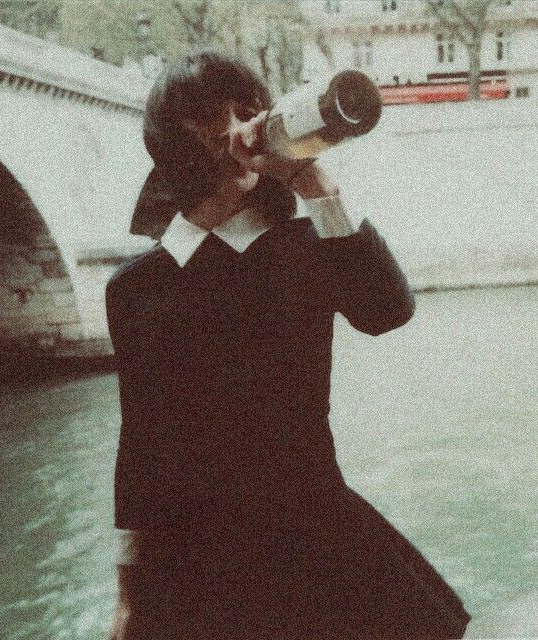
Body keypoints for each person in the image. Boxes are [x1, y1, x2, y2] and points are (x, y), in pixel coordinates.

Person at [106, 50, 471, 640]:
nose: (239, 126)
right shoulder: (137, 288)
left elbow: (387, 313)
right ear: (175, 139)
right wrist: (128, 596)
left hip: (315, 536)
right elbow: (142, 450)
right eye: (213, 114)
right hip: (200, 561)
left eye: (250, 107)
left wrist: (312, 180)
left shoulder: (305, 246)